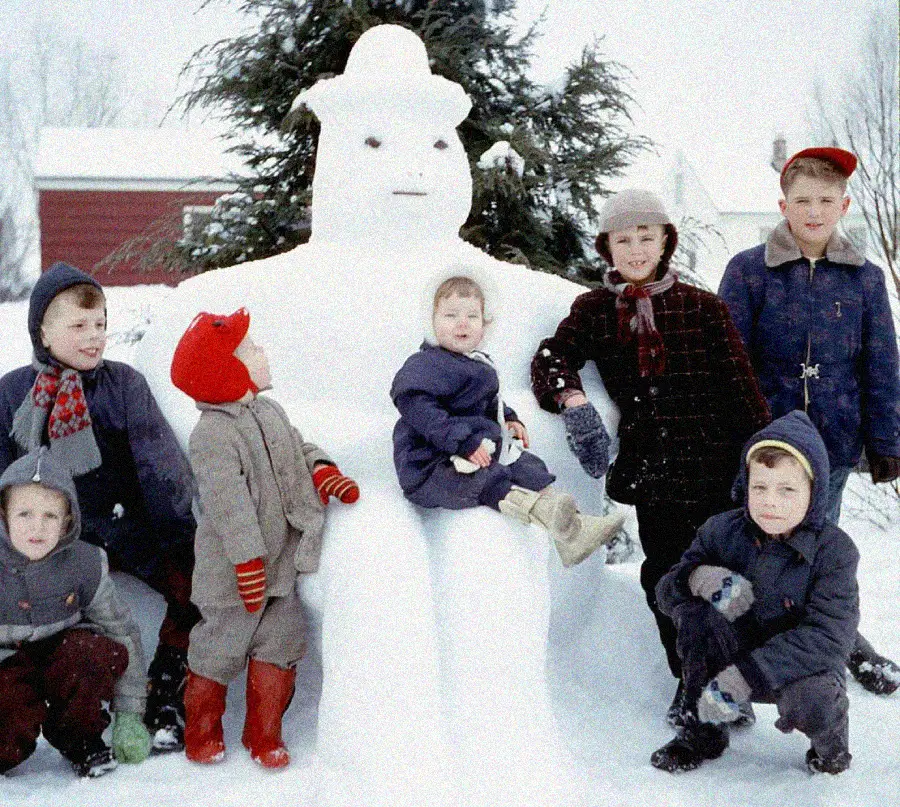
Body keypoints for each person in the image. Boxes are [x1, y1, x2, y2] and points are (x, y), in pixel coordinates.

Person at [531, 189, 771, 723]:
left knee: (723, 579)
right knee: (666, 580)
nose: (636, 249)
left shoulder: (704, 308)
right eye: (623, 239)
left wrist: (766, 462)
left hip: (718, 470)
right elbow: (551, 357)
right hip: (654, 474)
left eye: (646, 236)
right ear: (606, 247)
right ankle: (689, 680)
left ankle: (731, 683)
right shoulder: (595, 310)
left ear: (666, 242)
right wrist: (573, 402)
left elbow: (744, 392)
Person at [719, 146, 900, 695]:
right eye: (802, 200)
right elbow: (727, 357)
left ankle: (841, 643)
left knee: (819, 552)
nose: (814, 211)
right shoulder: (750, 271)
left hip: (834, 443)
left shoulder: (865, 279)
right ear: (782, 204)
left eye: (826, 199)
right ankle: (743, 651)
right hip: (762, 444)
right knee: (752, 543)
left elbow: (882, 362)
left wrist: (887, 439)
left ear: (844, 205)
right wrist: (732, 432)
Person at [0, 262, 200, 751]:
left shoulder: (124, 386)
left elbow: (160, 465)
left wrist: (180, 539)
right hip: (52, 544)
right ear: (42, 332)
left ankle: (167, 687)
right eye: (79, 326)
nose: (94, 337)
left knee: (199, 588)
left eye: (101, 324)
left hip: (128, 530)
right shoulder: (12, 394)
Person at [170, 307, 359, 768]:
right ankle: (202, 729)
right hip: (234, 575)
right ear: (227, 368)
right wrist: (246, 562)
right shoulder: (212, 434)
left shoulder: (268, 410)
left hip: (281, 567)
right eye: (250, 349)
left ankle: (265, 733)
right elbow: (227, 505)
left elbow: (297, 447)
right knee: (220, 648)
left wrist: (322, 470)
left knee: (282, 641)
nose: (262, 352)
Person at [651, 411, 859, 775]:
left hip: (797, 667)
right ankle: (704, 734)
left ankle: (831, 749)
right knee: (699, 620)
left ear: (814, 492)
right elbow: (666, 594)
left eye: (787, 489)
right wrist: (697, 578)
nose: (770, 502)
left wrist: (748, 673)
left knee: (814, 699)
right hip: (734, 648)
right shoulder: (721, 530)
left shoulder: (835, 552)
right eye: (759, 487)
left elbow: (828, 638)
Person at [391, 272, 626, 567]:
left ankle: (574, 530)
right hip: (432, 463)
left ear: (485, 324)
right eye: (450, 315)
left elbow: (488, 401)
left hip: (476, 450)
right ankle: (552, 517)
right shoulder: (426, 364)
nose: (461, 323)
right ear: (432, 321)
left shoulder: (476, 362)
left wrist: (510, 419)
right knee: (488, 479)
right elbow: (415, 404)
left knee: (527, 466)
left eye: (471, 316)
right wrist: (462, 441)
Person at [0, 448, 151, 778]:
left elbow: (120, 629)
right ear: (3, 514)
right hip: (5, 661)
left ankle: (82, 741)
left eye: (50, 516)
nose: (36, 527)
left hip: (63, 656)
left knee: (89, 656)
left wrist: (129, 713)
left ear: (68, 520)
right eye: (24, 514)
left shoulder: (84, 565)